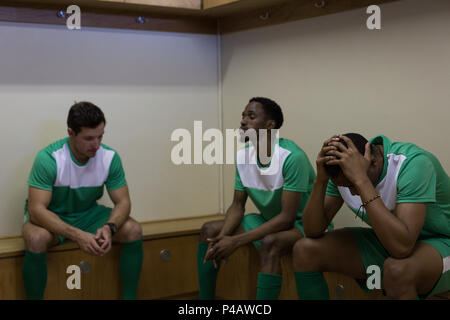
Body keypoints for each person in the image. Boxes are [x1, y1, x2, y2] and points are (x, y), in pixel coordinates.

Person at [197, 97, 331, 300]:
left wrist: (235, 241)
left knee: (270, 242)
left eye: (251, 116)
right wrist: (222, 238)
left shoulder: (292, 157)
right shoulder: (243, 157)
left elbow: (287, 218)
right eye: (243, 116)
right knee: (210, 230)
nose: (243, 121)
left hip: (303, 225)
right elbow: (237, 205)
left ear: (270, 125)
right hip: (270, 220)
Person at [292, 133, 450, 299]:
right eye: (347, 186)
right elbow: (311, 230)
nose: (352, 192)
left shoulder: (413, 163)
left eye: (352, 185)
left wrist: (361, 181)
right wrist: (321, 181)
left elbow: (402, 248)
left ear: (373, 162)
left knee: (398, 270)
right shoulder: (343, 171)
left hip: (441, 241)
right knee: (305, 250)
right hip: (391, 240)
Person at [22, 101, 143, 300]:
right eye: (88, 138)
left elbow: (123, 203)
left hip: (87, 214)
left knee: (133, 230)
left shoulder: (109, 157)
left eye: (100, 136)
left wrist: (110, 228)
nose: (96, 144)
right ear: (71, 133)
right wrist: (77, 235)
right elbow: (37, 210)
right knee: (35, 239)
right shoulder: (49, 159)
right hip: (52, 218)